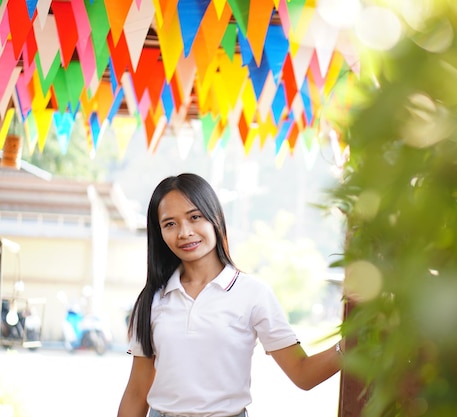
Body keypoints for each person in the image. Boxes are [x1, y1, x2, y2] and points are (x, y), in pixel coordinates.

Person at [117, 173, 344, 417]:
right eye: (170, 224)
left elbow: (303, 373)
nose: (184, 232)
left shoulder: (253, 293)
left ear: (215, 218)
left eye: (195, 217)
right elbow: (137, 392)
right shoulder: (152, 299)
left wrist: (351, 345)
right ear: (159, 232)